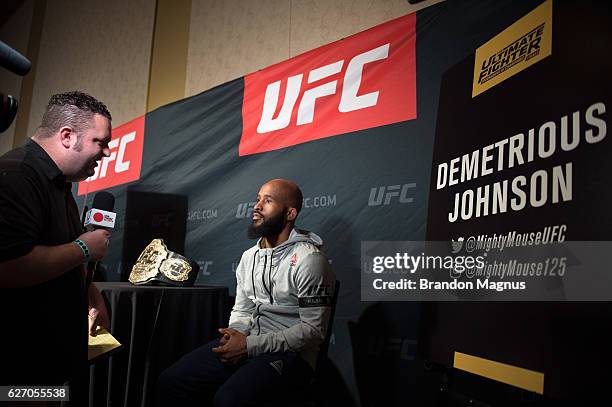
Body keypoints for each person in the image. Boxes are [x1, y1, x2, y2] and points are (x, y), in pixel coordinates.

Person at [157, 179, 336, 406]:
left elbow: (313, 331)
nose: (257, 206)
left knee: (229, 400)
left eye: (268, 201)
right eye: (257, 199)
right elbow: (243, 309)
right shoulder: (249, 257)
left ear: (290, 213)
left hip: (292, 355)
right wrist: (235, 336)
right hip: (248, 344)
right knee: (171, 381)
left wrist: (249, 346)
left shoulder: (309, 260)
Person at [0, 91, 113, 399]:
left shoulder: (59, 183)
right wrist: (86, 248)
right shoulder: (18, 174)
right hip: (19, 362)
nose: (106, 154)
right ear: (67, 136)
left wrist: (92, 296)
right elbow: (9, 267)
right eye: (100, 142)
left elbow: (62, 251)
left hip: (50, 356)